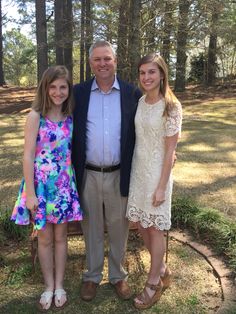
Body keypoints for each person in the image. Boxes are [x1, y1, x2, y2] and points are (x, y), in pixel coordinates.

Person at [72, 40, 142, 301]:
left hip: (118, 173)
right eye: (97, 59)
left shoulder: (130, 93)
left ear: (115, 61)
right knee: (91, 227)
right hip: (88, 173)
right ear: (90, 63)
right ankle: (91, 276)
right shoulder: (77, 93)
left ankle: (118, 275)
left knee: (118, 227)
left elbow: (143, 130)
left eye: (107, 58)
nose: (102, 63)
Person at [11, 65, 83, 311]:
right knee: (44, 239)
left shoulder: (70, 117)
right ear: (45, 88)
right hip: (40, 188)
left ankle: (60, 285)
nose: (58, 92)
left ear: (68, 89)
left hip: (63, 186)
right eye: (52, 86)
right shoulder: (35, 116)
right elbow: (28, 155)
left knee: (61, 238)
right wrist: (30, 193)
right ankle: (48, 286)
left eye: (62, 87)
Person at [126, 53, 182, 310]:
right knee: (140, 225)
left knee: (154, 228)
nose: (146, 77)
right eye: (142, 73)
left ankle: (153, 283)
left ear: (161, 74)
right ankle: (163, 269)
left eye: (151, 72)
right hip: (139, 173)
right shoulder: (140, 102)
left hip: (158, 176)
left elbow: (170, 151)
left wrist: (162, 186)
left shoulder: (171, 106)